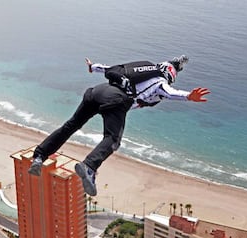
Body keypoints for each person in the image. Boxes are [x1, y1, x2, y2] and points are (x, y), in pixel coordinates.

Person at [28, 55, 210, 196]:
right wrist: (188, 96)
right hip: (115, 101)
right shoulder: (160, 81)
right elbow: (170, 92)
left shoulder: (140, 70)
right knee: (112, 139)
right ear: (169, 76)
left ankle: (39, 156)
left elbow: (108, 68)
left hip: (95, 92)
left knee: (71, 126)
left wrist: (93, 67)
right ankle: (89, 166)